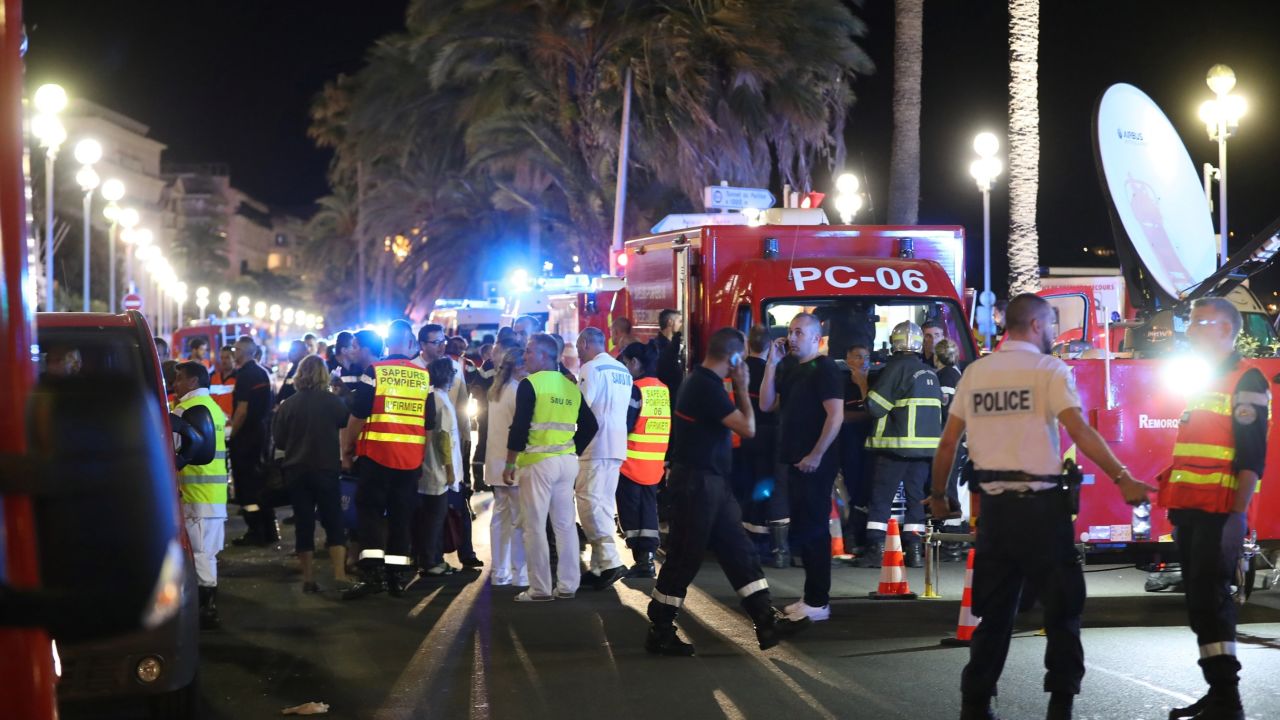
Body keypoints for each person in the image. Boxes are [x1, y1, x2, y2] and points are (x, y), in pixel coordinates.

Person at [928, 293, 1153, 720]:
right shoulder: (1048, 370)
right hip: (1043, 513)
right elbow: (1080, 431)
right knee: (1063, 609)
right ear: (1034, 325)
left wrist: (939, 497)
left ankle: (975, 704)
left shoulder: (975, 373)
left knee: (994, 615)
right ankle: (1060, 704)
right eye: (1050, 324)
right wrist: (1122, 478)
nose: (1052, 332)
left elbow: (948, 443)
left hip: (994, 514)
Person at [646, 327, 809, 656]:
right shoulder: (706, 386)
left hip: (710, 483)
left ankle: (765, 619)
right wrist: (742, 384)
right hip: (698, 483)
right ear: (735, 359)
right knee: (684, 556)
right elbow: (748, 428)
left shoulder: (700, 381)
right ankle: (660, 627)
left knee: (739, 551)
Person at [1160, 298, 1269, 720]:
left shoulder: (1247, 379)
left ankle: (1228, 698)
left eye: (1199, 324)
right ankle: (1219, 690)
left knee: (1210, 603)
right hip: (1191, 511)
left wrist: (1236, 518)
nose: (1190, 331)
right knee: (1200, 605)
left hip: (1219, 512)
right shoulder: (1208, 380)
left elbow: (1252, 457)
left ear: (1226, 329)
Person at [758, 314, 844, 623]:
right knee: (806, 530)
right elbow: (767, 404)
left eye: (799, 332)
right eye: (790, 331)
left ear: (815, 338)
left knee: (816, 530)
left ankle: (819, 601)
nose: (791, 337)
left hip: (814, 464)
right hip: (795, 460)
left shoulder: (825, 369)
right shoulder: (793, 368)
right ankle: (810, 597)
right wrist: (771, 363)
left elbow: (835, 416)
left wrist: (817, 454)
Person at [341, 320, 434, 600]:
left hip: (376, 456)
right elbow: (428, 424)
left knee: (369, 513)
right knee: (400, 517)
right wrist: (421, 458)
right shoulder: (423, 376)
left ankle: (373, 576)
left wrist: (347, 448)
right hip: (409, 460)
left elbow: (358, 414)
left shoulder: (375, 371)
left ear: (387, 342)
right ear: (410, 344)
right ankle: (396, 577)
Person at [502, 333, 598, 602]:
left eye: (530, 352)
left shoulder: (530, 384)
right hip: (566, 462)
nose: (525, 356)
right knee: (565, 526)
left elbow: (519, 427)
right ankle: (568, 586)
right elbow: (591, 425)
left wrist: (510, 462)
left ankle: (540, 589)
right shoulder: (570, 387)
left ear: (545, 356)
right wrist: (572, 448)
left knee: (534, 526)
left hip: (538, 462)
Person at [854, 321, 942, 569]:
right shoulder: (929, 373)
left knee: (881, 499)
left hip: (895, 448)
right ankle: (914, 552)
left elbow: (874, 407)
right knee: (915, 500)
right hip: (924, 452)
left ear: (895, 343)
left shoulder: (896, 369)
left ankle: (876, 549)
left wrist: (862, 383)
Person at [272, 355, 351, 592]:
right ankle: (340, 574)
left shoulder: (288, 405)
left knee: (303, 523)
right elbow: (345, 427)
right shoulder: (334, 403)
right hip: (326, 468)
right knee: (333, 520)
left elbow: (280, 441)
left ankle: (308, 578)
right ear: (323, 375)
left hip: (296, 470)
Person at [574, 327, 633, 588]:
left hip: (595, 446)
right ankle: (599, 567)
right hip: (617, 445)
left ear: (586, 344)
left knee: (588, 503)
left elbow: (582, 408)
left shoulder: (591, 369)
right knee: (605, 505)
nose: (578, 355)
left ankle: (610, 561)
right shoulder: (623, 371)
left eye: (578, 349)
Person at [170, 361, 227, 629]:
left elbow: (171, 447)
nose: (175, 384)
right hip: (214, 494)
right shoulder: (214, 408)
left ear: (193, 382)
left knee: (201, 555)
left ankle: (207, 609)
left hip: (196, 494)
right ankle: (208, 605)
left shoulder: (186, 409)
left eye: (179, 379)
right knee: (209, 553)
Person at [616, 341, 668, 578]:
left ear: (635, 363)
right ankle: (647, 559)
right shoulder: (662, 389)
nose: (625, 367)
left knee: (630, 512)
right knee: (648, 510)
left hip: (631, 462)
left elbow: (625, 424)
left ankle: (641, 559)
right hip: (654, 463)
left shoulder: (635, 389)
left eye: (626, 363)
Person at [737, 324, 787, 567]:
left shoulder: (738, 370)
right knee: (765, 485)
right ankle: (764, 541)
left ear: (748, 344)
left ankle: (747, 538)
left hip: (743, 435)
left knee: (746, 484)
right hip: (769, 434)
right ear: (770, 346)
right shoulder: (775, 372)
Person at [415, 357, 466, 578]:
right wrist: (450, 469)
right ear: (447, 376)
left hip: (430, 467)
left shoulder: (433, 397)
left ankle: (432, 559)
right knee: (434, 519)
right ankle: (431, 561)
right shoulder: (440, 400)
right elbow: (443, 438)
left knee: (431, 517)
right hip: (436, 470)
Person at [486, 347, 528, 586]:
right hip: (512, 464)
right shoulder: (517, 392)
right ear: (520, 367)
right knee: (518, 521)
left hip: (495, 463)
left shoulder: (496, 391)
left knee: (499, 519)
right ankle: (519, 574)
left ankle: (499, 572)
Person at [229, 335, 276, 546]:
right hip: (262, 435)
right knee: (260, 483)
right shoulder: (262, 373)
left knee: (246, 485)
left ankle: (255, 530)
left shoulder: (245, 375)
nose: (234, 353)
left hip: (246, 438)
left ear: (246, 352)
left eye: (236, 349)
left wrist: (231, 434)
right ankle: (269, 529)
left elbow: (242, 410)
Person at [838, 343, 873, 554]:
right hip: (848, 445)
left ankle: (859, 535)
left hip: (869, 445)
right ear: (848, 359)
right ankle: (850, 535)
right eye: (858, 357)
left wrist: (863, 384)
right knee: (851, 490)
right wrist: (867, 415)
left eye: (866, 357)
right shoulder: (841, 384)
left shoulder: (873, 383)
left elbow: (874, 408)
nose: (863, 361)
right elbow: (842, 416)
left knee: (865, 491)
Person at [654, 309, 684, 395]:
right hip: (667, 393)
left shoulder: (668, 344)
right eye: (680, 321)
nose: (681, 325)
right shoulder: (659, 346)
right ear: (670, 322)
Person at [276, 339, 308, 406]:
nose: (290, 353)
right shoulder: (294, 367)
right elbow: (285, 387)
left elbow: (291, 390)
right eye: (290, 350)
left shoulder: (303, 370)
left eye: (293, 351)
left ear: (303, 352)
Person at [210, 345, 237, 420]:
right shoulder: (213, 378)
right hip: (216, 420)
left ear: (234, 359)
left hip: (232, 421)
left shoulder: (239, 378)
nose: (224, 361)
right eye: (222, 358)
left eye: (227, 358)